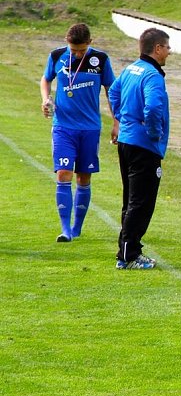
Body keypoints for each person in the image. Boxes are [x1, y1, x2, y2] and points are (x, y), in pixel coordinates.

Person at [39, 23, 116, 242]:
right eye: (73, 50)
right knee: (64, 172)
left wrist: (116, 121)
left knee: (84, 176)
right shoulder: (56, 56)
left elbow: (111, 90)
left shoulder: (100, 60)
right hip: (63, 126)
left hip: (90, 128)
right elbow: (46, 79)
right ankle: (65, 230)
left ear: (90, 43)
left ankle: (77, 227)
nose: (77, 54)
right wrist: (45, 99)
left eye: (81, 50)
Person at [108, 28, 172, 269]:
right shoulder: (152, 76)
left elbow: (114, 92)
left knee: (131, 199)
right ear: (157, 49)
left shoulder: (131, 68)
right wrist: (154, 134)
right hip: (143, 146)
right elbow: (154, 108)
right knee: (141, 202)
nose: (169, 51)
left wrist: (124, 120)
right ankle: (129, 254)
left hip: (126, 141)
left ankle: (126, 251)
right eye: (166, 47)